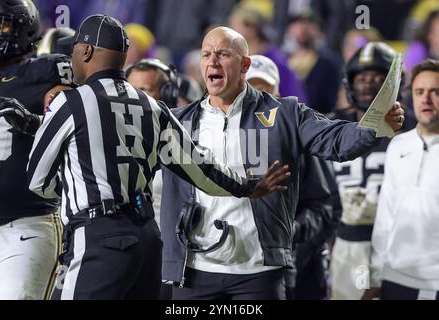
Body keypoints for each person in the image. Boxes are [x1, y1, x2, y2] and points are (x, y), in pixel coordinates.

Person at [25, 14, 289, 300]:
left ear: (86, 51)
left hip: (98, 236)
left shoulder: (70, 102)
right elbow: (202, 170)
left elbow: (39, 180)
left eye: (74, 51)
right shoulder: (153, 106)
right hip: (148, 241)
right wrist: (249, 187)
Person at [159, 26, 405, 300]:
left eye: (223, 54)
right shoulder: (178, 122)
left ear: (244, 65)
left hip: (258, 271)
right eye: (206, 54)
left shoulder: (284, 114)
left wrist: (371, 128)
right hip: (194, 270)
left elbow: (335, 138)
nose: (212, 61)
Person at [0, 0, 72, 300]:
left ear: (23, 28)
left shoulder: (45, 71)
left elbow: (76, 117)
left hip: (24, 226)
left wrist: (38, 120)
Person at [246, 54, 342, 300]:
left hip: (298, 271)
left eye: (266, 92)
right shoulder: (220, 139)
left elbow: (326, 206)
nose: (259, 101)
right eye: (251, 92)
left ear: (278, 95)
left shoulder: (299, 139)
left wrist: (294, 229)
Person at [328, 42, 403, 300]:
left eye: (376, 77)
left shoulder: (413, 128)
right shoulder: (331, 126)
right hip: (344, 241)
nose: (367, 84)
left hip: (399, 243)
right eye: (361, 77)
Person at [364, 59, 439, 300]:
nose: (426, 99)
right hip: (396, 276)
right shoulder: (397, 145)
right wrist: (375, 275)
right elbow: (386, 215)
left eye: (435, 91)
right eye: (420, 92)